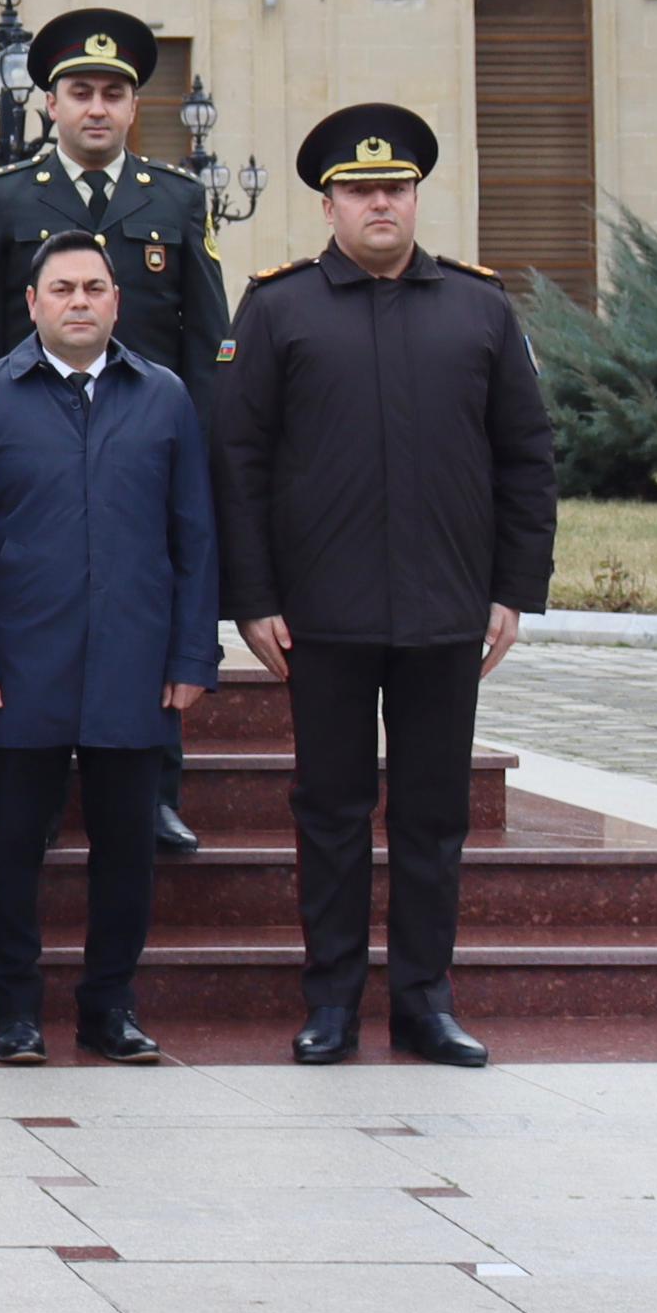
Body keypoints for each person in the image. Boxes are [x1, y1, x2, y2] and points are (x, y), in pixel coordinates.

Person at [214, 105, 556, 1070]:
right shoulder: (278, 308)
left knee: (433, 814)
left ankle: (423, 1002)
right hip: (319, 613)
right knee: (329, 811)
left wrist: (513, 590)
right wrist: (253, 598)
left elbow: (525, 459)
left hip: (448, 608)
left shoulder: (479, 308)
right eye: (360, 190)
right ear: (328, 205)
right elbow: (237, 460)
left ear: (415, 199)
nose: (379, 203)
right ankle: (330, 1003)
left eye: (394, 189)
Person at [0, 7, 230, 856]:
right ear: (51, 106)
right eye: (79, 92)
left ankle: (156, 794)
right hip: (30, 436)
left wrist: (198, 450)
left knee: (145, 599)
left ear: (134, 106)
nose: (96, 107)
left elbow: (206, 341)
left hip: (148, 442)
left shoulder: (178, 199)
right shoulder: (3, 197)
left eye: (113, 93)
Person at [0, 231, 218, 1067]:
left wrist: (191, 658)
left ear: (116, 302)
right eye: (62, 289)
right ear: (32, 303)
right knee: (14, 849)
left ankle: (109, 1009)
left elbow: (194, 536)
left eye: (95, 288)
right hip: (21, 669)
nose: (80, 302)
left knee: (127, 853)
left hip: (134, 669)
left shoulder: (163, 396)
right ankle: (16, 1014)